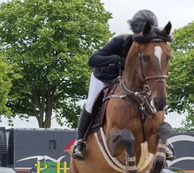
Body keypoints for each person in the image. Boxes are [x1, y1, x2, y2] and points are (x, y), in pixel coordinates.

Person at [72, 9, 174, 161]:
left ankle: (164, 141)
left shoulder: (149, 46)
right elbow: (93, 59)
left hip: (128, 82)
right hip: (104, 78)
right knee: (91, 104)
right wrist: (115, 59)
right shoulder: (120, 41)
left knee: (151, 101)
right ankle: (80, 141)